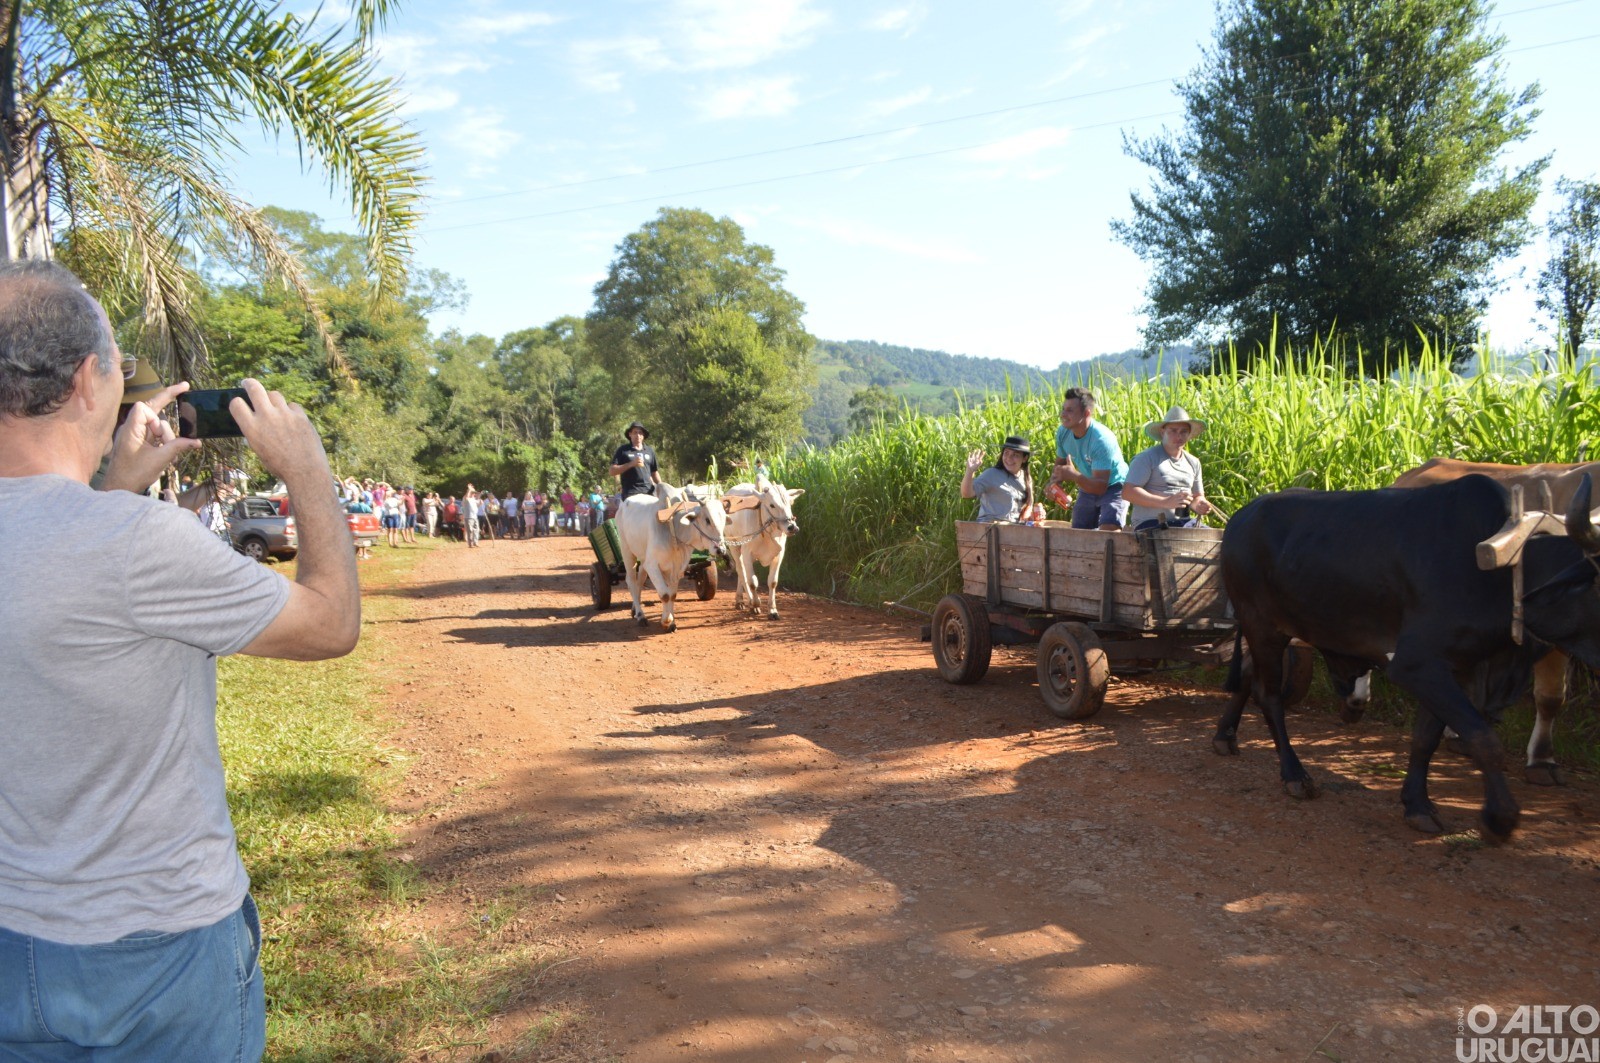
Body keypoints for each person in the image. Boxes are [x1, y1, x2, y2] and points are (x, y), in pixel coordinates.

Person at [0, 260, 360, 1061]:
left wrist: (118, 485)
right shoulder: (135, 545)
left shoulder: (108, 533)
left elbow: (51, 585)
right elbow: (331, 623)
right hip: (158, 956)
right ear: (92, 380)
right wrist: (306, 468)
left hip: (14, 942)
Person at [1124, 405, 1214, 531]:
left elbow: (1197, 496)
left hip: (1184, 523)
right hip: (1150, 523)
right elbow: (1128, 492)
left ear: (1189, 434)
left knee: (1218, 541)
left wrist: (1200, 505)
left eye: (1184, 431)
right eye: (1173, 430)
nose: (1179, 436)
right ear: (1162, 432)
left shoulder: (1193, 462)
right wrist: (1165, 502)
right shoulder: (1146, 458)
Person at [1051, 386, 1129, 531]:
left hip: (1114, 485)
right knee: (1080, 531)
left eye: (1070, 410)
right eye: (1063, 409)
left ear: (1086, 413)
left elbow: (1100, 487)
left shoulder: (1101, 440)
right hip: (1087, 483)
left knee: (1109, 530)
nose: (1063, 414)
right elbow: (1059, 465)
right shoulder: (1063, 433)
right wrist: (1053, 485)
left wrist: (1074, 476)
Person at [961, 435, 1036, 523]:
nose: (1009, 458)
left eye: (1015, 455)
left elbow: (1029, 504)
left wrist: (1032, 513)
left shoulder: (1026, 478)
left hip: (1015, 530)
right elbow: (966, 494)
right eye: (1006, 453)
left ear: (1024, 458)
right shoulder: (991, 474)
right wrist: (970, 471)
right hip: (989, 529)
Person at [609, 421, 660, 500]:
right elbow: (612, 471)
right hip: (631, 493)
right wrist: (631, 464)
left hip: (649, 492)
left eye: (640, 433)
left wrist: (662, 486)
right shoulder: (623, 450)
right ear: (630, 434)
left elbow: (654, 473)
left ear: (643, 436)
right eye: (635, 432)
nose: (638, 435)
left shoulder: (650, 451)